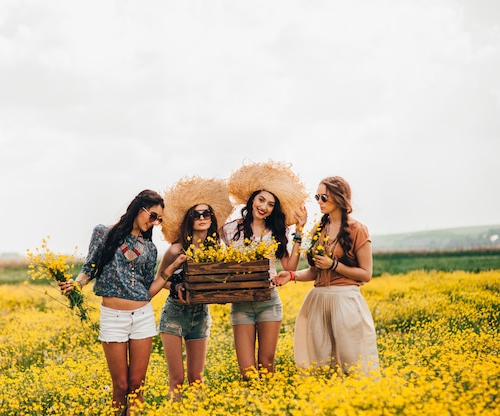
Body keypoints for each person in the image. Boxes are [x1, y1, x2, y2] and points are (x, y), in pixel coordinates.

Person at [59, 189, 184, 415]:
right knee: (121, 386)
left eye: (159, 219)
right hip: (113, 318)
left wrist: (172, 269)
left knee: (137, 385)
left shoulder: (150, 248)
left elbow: (148, 290)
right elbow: (90, 268)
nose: (155, 222)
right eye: (153, 216)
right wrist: (75, 285)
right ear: (139, 208)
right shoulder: (103, 233)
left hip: (142, 317)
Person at [274, 176, 380, 375]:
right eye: (317, 197)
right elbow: (315, 271)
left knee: (352, 362)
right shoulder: (319, 229)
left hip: (345, 300)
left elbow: (366, 274)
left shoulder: (358, 229)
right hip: (318, 300)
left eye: (324, 197)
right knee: (320, 364)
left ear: (340, 199)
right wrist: (292, 275)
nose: (319, 202)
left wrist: (334, 265)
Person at [221, 161, 307, 380]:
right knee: (247, 372)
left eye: (270, 204)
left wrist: (298, 231)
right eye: (261, 200)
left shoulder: (276, 232)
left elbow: (289, 267)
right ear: (252, 200)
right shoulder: (231, 230)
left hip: (269, 301)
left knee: (267, 365)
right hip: (241, 304)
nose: (264, 207)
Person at [156, 176, 233, 401]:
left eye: (206, 214)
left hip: (201, 315)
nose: (201, 218)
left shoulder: (216, 250)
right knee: (176, 380)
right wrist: (175, 286)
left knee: (197, 379)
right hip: (175, 314)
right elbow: (160, 279)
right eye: (196, 214)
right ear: (188, 220)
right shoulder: (176, 249)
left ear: (212, 218)